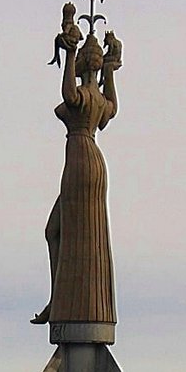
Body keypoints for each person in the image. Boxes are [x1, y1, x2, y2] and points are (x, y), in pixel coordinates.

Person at [32, 24, 122, 326]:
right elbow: (113, 109)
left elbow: (68, 94)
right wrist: (109, 70)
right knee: (58, 231)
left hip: (80, 161)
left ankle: (60, 301)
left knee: (60, 231)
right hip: (91, 161)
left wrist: (69, 53)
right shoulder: (100, 99)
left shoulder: (85, 95)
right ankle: (57, 299)